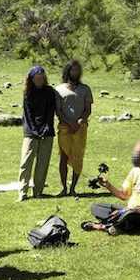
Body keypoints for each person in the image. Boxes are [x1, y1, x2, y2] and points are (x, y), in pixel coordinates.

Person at [82, 140, 140, 235]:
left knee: (131, 216)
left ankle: (103, 226)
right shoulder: (135, 171)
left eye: (139, 153)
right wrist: (108, 185)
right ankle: (118, 224)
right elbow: (124, 195)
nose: (134, 155)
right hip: (128, 210)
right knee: (96, 207)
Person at [19, 66, 61, 201]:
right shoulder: (28, 92)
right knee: (26, 162)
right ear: (31, 79)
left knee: (42, 163)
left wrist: (45, 129)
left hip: (47, 131)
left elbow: (50, 112)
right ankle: (22, 192)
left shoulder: (49, 92)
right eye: (37, 78)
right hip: (30, 132)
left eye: (41, 78)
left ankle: (38, 192)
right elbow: (28, 115)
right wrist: (35, 131)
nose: (39, 81)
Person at [54, 60, 93, 196]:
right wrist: (68, 122)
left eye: (77, 70)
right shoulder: (59, 89)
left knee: (78, 156)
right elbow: (58, 111)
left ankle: (73, 188)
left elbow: (88, 109)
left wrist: (81, 120)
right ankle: (64, 188)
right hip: (64, 127)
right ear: (67, 71)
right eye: (72, 70)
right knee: (63, 157)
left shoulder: (85, 89)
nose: (74, 73)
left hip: (80, 128)